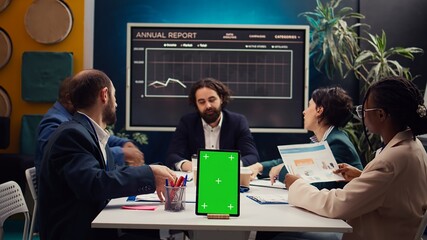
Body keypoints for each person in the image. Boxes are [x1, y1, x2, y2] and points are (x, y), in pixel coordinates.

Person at [38, 69, 176, 240]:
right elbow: (94, 184)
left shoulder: (87, 132)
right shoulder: (72, 135)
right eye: (115, 96)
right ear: (104, 95)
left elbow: (106, 174)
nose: (116, 104)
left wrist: (147, 174)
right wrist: (150, 173)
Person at [284, 77, 427, 240]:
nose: (362, 117)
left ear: (381, 114)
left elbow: (337, 205)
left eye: (364, 112)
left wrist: (297, 185)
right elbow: (397, 192)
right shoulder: (414, 148)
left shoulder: (390, 162)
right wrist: (362, 177)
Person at [250, 86, 363, 190]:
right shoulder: (323, 139)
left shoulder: (337, 143)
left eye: (309, 106)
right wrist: (260, 167)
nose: (304, 112)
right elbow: (291, 161)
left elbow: (322, 185)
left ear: (319, 110)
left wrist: (282, 171)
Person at [35, 76, 144, 179]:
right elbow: (77, 156)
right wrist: (121, 152)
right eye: (81, 97)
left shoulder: (72, 120)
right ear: (69, 99)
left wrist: (121, 143)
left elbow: (90, 137)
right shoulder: (54, 123)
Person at [166, 77, 260, 172]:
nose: (208, 106)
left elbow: (253, 156)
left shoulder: (237, 122)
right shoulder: (187, 122)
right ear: (196, 104)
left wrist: (226, 166)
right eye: (202, 102)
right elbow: (172, 156)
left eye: (212, 100)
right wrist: (192, 166)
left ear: (221, 99)